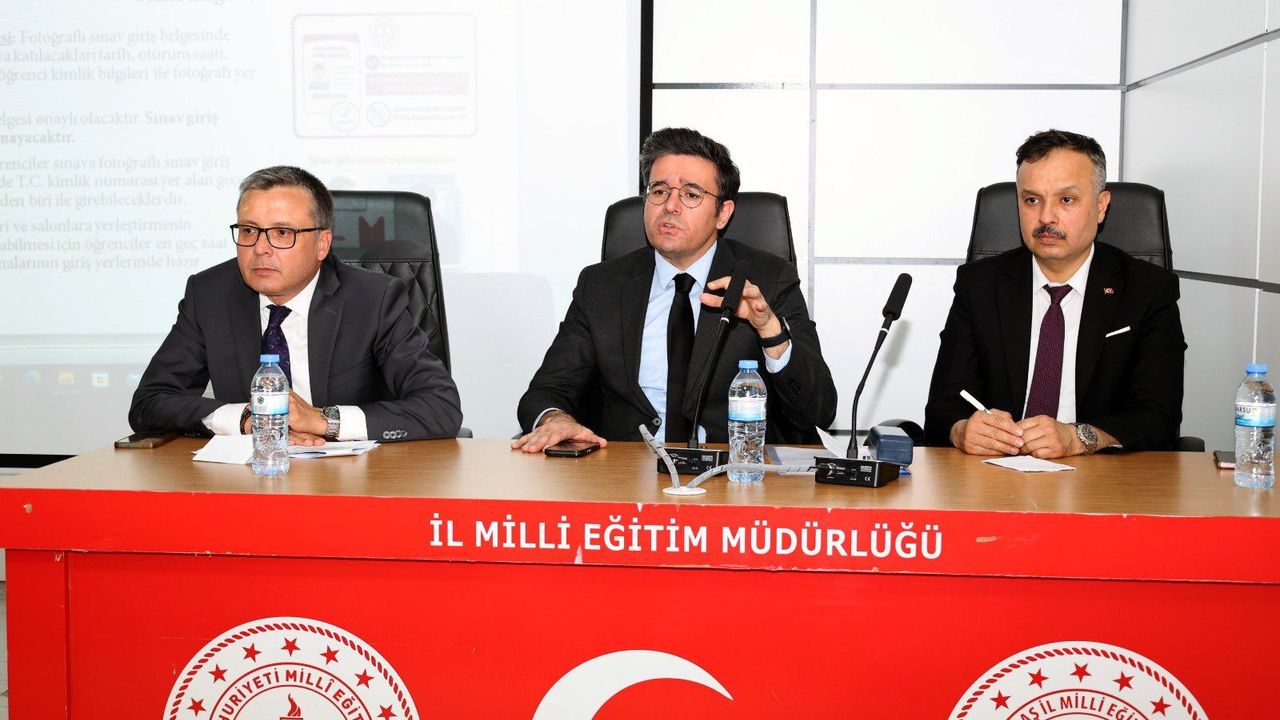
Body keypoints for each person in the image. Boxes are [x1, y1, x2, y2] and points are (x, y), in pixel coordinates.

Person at [513, 128, 837, 452]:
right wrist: (555, 419)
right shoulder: (601, 286)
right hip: (623, 472)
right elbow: (546, 391)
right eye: (659, 191)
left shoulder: (768, 281)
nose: (670, 206)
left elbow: (819, 410)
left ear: (722, 213)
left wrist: (770, 331)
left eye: (691, 195)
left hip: (731, 472)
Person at [129, 166, 462, 443]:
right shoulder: (209, 294)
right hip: (250, 477)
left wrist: (322, 420)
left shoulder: (374, 300)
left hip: (354, 481)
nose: (260, 248)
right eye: (248, 230)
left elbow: (440, 407)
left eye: (282, 233)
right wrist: (249, 418)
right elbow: (150, 403)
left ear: (322, 244)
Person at [924, 129, 1185, 458]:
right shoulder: (980, 284)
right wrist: (962, 430)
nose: (1046, 217)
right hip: (995, 473)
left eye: (1066, 200)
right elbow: (944, 403)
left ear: (1101, 206)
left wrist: (1079, 437)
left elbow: (1159, 416)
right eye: (1032, 200)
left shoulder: (1147, 290)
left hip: (1101, 475)